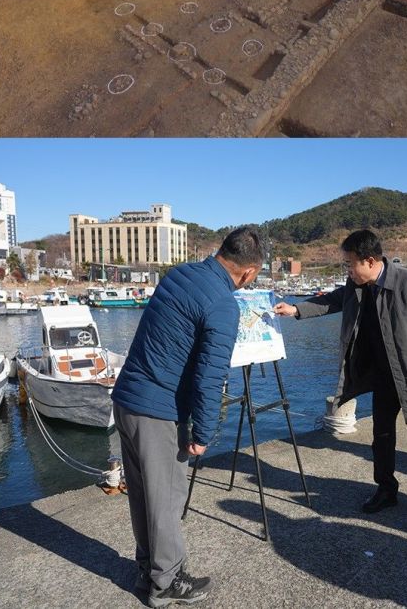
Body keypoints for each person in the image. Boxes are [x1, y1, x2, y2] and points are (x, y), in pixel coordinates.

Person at [112, 227, 264, 607]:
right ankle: (166, 584)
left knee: (144, 496)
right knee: (166, 498)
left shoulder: (180, 273)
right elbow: (211, 377)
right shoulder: (224, 304)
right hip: (157, 411)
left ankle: (148, 569)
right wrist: (204, 432)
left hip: (127, 399)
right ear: (248, 273)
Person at [275, 229, 407, 522]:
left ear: (369, 261)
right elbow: (332, 300)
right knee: (381, 437)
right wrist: (295, 310)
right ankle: (386, 489)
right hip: (382, 376)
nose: (348, 270)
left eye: (350, 263)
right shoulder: (355, 286)